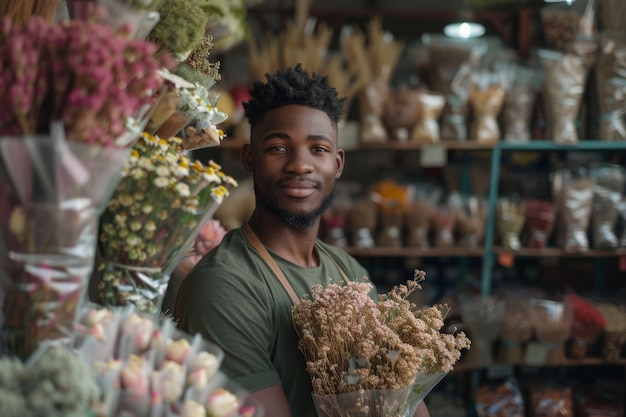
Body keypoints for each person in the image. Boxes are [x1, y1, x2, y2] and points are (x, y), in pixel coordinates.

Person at [174, 64, 431, 417]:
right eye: (278, 148)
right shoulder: (224, 285)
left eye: (318, 149)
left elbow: (411, 402)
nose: (300, 165)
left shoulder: (348, 271)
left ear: (337, 164)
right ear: (250, 159)